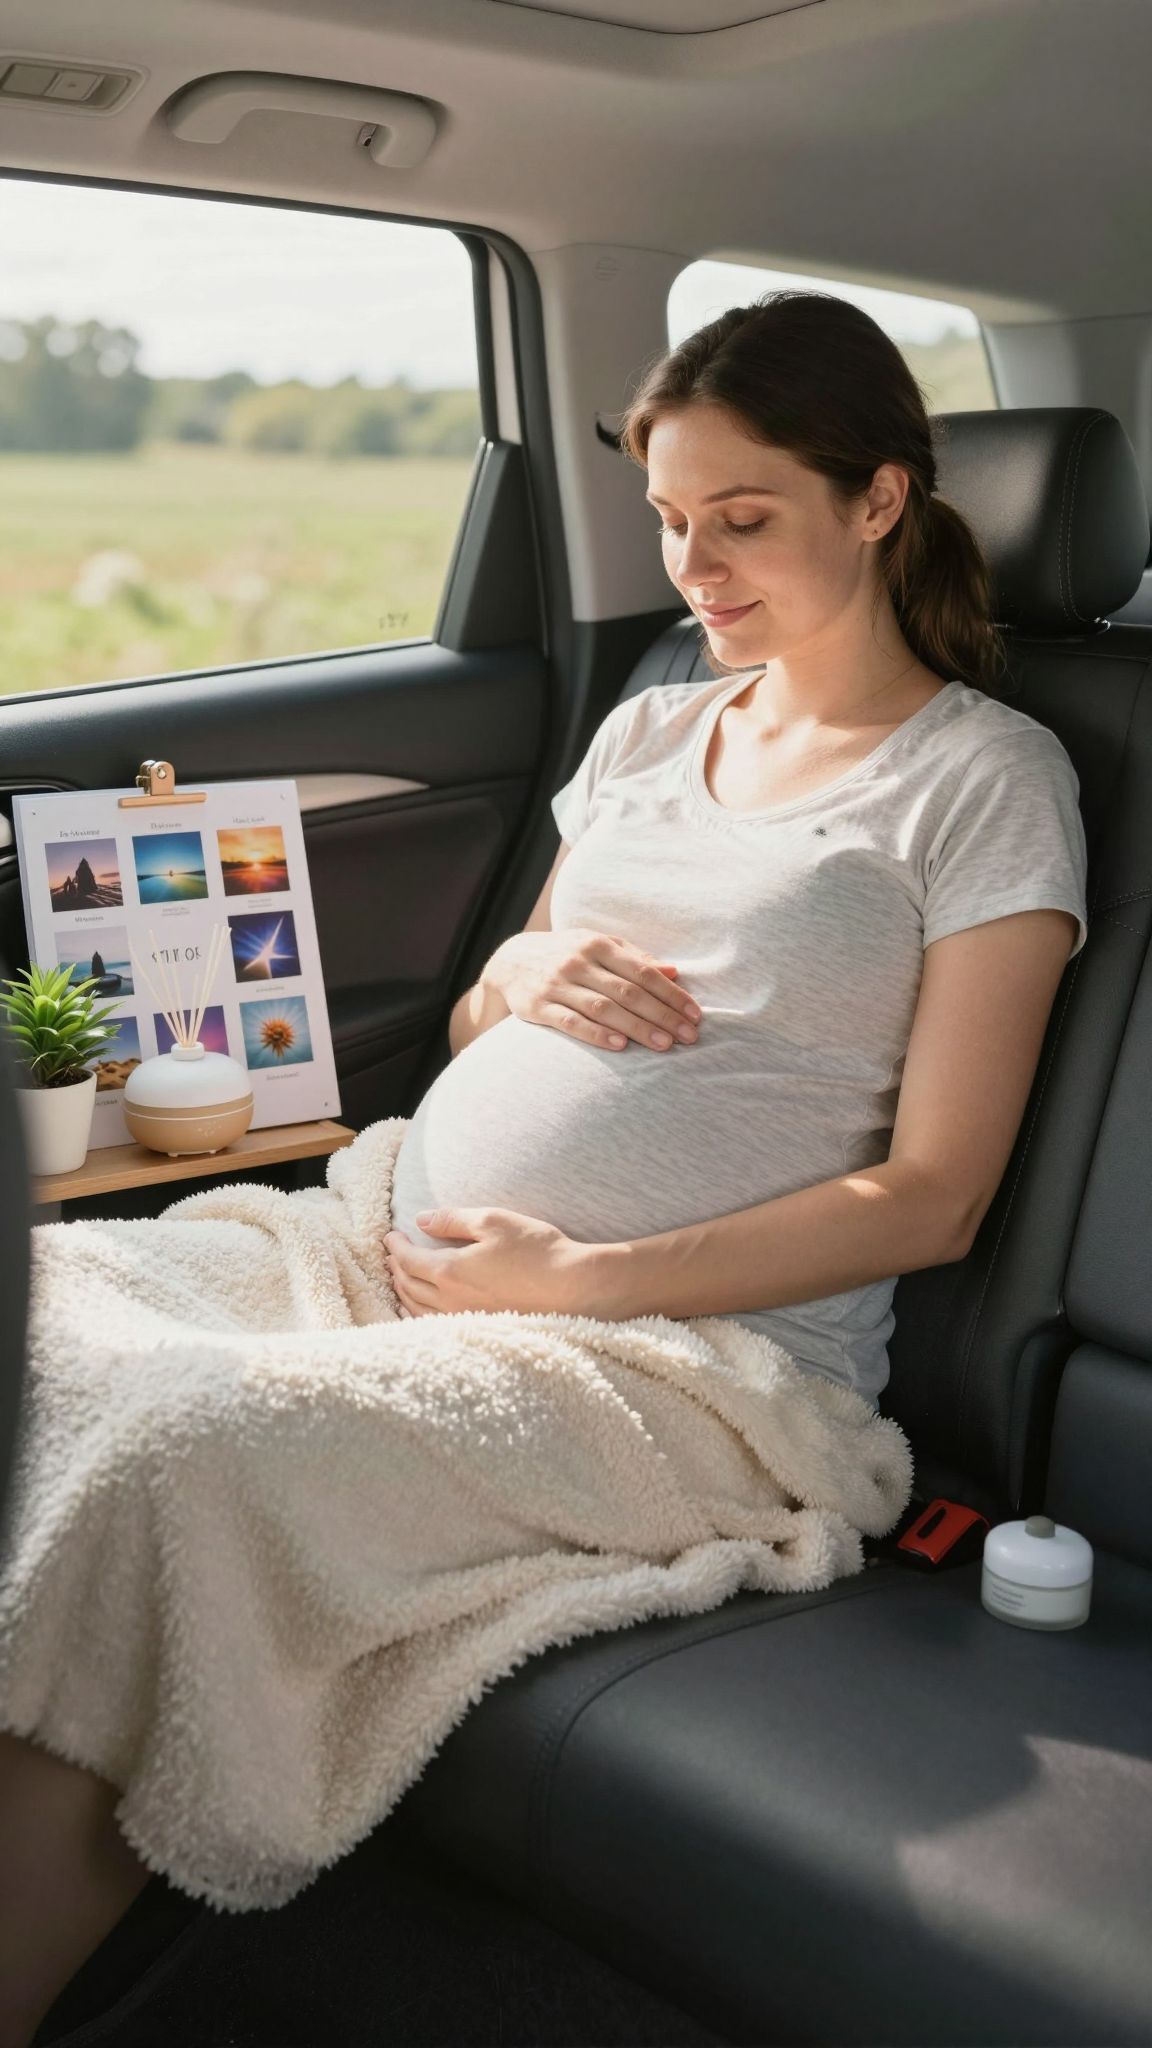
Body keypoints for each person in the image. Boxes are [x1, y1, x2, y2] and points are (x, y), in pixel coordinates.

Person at [0, 291, 1087, 2046]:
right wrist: (522, 974)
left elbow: (935, 1196)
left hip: (686, 1362)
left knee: (178, 1455)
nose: (695, 566)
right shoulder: (657, 726)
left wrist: (578, 1282)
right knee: (36, 1318)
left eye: (744, 520)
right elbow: (513, 984)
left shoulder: (984, 779)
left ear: (879, 500)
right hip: (392, 1238)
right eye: (671, 518)